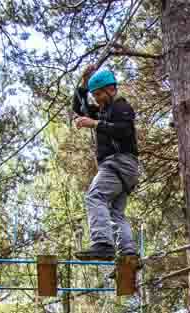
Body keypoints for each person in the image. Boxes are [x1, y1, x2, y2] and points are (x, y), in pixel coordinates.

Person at [72, 68, 139, 260]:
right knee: (116, 212)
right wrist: (85, 84)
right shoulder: (102, 111)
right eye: (95, 95)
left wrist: (94, 124)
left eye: (99, 94)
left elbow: (124, 130)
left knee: (95, 197)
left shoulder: (120, 106)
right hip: (124, 168)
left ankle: (102, 244)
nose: (97, 99)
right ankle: (128, 253)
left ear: (111, 89)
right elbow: (79, 107)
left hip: (119, 162)